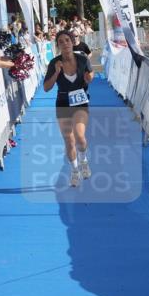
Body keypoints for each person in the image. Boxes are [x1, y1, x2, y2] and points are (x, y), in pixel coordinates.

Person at [43, 30, 94, 187]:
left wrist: (88, 78)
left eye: (67, 40)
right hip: (63, 102)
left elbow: (90, 75)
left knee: (79, 137)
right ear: (57, 45)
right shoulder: (54, 62)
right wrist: (57, 72)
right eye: (61, 42)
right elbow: (46, 88)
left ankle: (84, 160)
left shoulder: (82, 59)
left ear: (72, 42)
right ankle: (74, 170)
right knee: (69, 140)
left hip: (80, 101)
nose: (65, 43)